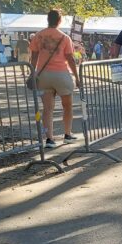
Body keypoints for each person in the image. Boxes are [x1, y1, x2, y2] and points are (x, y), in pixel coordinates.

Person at [29, 9, 80, 149]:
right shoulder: (64, 38)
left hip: (43, 74)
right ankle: (67, 134)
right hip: (61, 74)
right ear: (59, 20)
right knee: (67, 105)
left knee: (47, 108)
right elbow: (70, 59)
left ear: (47, 19)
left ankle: (49, 138)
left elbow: (33, 57)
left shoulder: (38, 36)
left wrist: (32, 73)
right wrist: (76, 76)